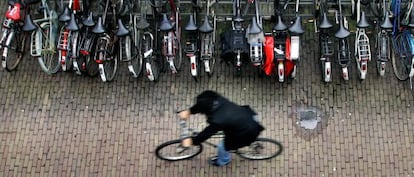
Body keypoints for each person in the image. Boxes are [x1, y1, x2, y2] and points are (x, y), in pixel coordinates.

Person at [178, 90, 264, 166]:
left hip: (246, 132)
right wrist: (189, 111)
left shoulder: (218, 120)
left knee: (221, 146)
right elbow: (200, 106)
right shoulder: (217, 99)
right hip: (247, 116)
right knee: (228, 129)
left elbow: (206, 134)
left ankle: (224, 161)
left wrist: (193, 141)